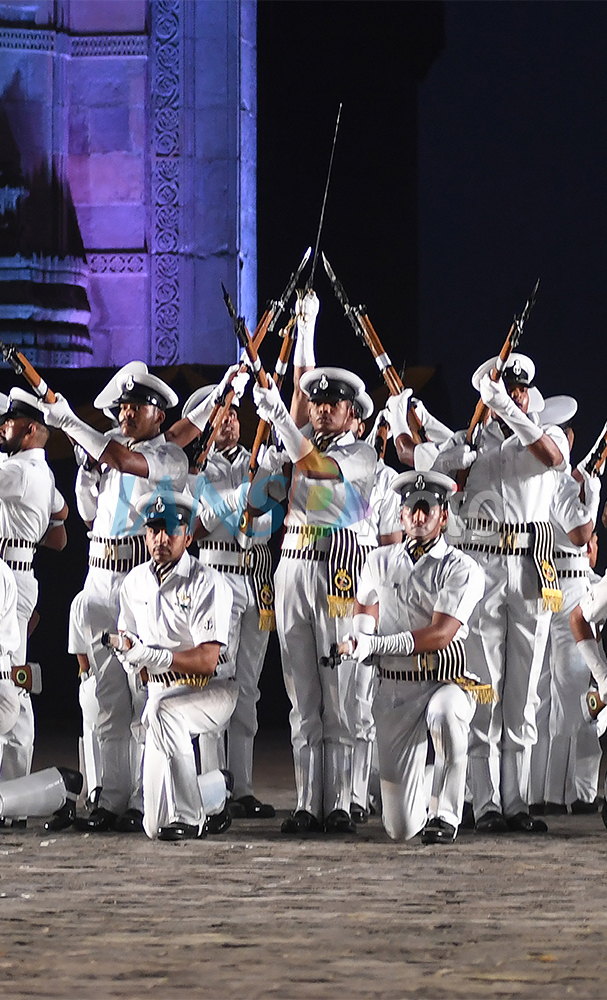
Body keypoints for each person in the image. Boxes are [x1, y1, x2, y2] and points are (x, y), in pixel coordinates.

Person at [40, 363, 188, 832]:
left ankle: (147, 799)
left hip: (140, 579)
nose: (125, 412)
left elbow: (126, 463)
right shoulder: (107, 453)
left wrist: (69, 423)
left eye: (135, 405)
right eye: (122, 405)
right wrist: (87, 472)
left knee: (145, 693)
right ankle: (112, 800)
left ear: (159, 415)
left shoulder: (168, 458)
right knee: (106, 698)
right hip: (101, 573)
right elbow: (88, 516)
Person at [437, 354, 569, 833]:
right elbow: (438, 490)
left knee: (525, 691)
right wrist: (460, 461)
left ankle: (518, 802)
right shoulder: (470, 439)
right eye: (503, 388)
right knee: (485, 687)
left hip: (532, 567)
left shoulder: (544, 433)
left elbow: (552, 460)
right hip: (484, 563)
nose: (512, 395)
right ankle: (485, 800)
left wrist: (510, 414)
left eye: (518, 389)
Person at [253, 364, 377, 834]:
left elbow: (319, 472)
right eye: (318, 403)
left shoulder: (362, 455)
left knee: (340, 695)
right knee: (301, 693)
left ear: (350, 414)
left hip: (339, 570)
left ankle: (341, 802)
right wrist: (267, 468)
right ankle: (308, 803)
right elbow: (259, 504)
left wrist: (283, 419)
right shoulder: (296, 448)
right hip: (292, 564)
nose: (323, 410)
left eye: (334, 405)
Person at [343, 470, 485, 843]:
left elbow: (440, 634)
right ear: (401, 516)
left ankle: (446, 813)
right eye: (412, 509)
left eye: (428, 508)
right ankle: (425, 786)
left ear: (443, 516)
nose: (419, 516)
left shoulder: (461, 567)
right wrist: (359, 638)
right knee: (401, 829)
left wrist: (375, 647)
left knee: (445, 715)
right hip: (394, 687)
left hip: (444, 679)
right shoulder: (378, 560)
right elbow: (365, 604)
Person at [115, 490, 237, 841]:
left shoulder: (207, 581)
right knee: (153, 826)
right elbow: (129, 647)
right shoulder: (134, 581)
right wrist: (129, 656)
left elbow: (207, 661)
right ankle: (215, 788)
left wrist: (154, 657)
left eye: (170, 529)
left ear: (187, 533)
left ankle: (191, 815)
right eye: (154, 529)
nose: (161, 538)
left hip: (212, 690)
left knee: (164, 711)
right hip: (159, 694)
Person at [181, 384, 276, 820]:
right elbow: (194, 530)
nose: (232, 420)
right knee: (216, 683)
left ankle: (242, 786)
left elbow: (267, 525)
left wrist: (256, 495)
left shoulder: (258, 462)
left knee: (248, 689)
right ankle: (212, 784)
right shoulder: (194, 469)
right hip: (217, 575)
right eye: (223, 414)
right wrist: (231, 504)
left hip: (256, 578)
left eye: (236, 413)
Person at [0, 388, 67, 810]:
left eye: (8, 422)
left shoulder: (21, 471)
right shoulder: (37, 472)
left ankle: (13, 791)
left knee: (9, 682)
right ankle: (14, 790)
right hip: (20, 573)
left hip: (10, 577)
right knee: (15, 680)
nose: (2, 428)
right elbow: (60, 526)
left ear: (30, 430)